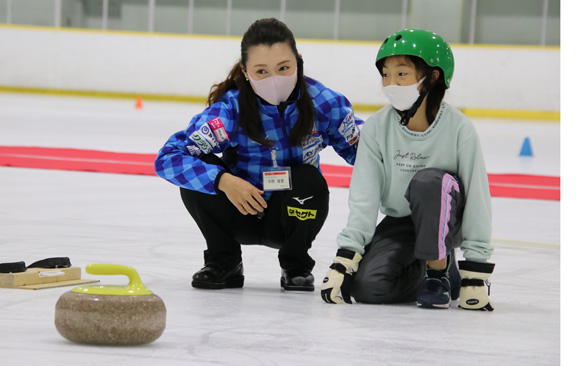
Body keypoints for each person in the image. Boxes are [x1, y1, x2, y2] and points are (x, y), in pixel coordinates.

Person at [154, 18, 363, 292]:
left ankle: (295, 265)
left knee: (309, 179)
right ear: (246, 71)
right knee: (199, 172)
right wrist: (223, 182)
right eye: (261, 71)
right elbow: (169, 157)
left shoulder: (325, 103)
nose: (274, 79)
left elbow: (364, 154)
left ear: (298, 62)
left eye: (284, 68)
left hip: (290, 209)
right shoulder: (230, 109)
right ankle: (224, 262)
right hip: (238, 209)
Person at [320, 29, 496, 310]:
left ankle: (438, 272)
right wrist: (346, 258)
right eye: (386, 75)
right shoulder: (377, 127)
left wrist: (475, 273)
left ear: (433, 77)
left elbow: (477, 198)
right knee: (369, 287)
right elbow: (364, 196)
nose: (391, 84)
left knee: (428, 182)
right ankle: (434, 269)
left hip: (447, 221)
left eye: (401, 74)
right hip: (403, 222)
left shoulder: (459, 128)